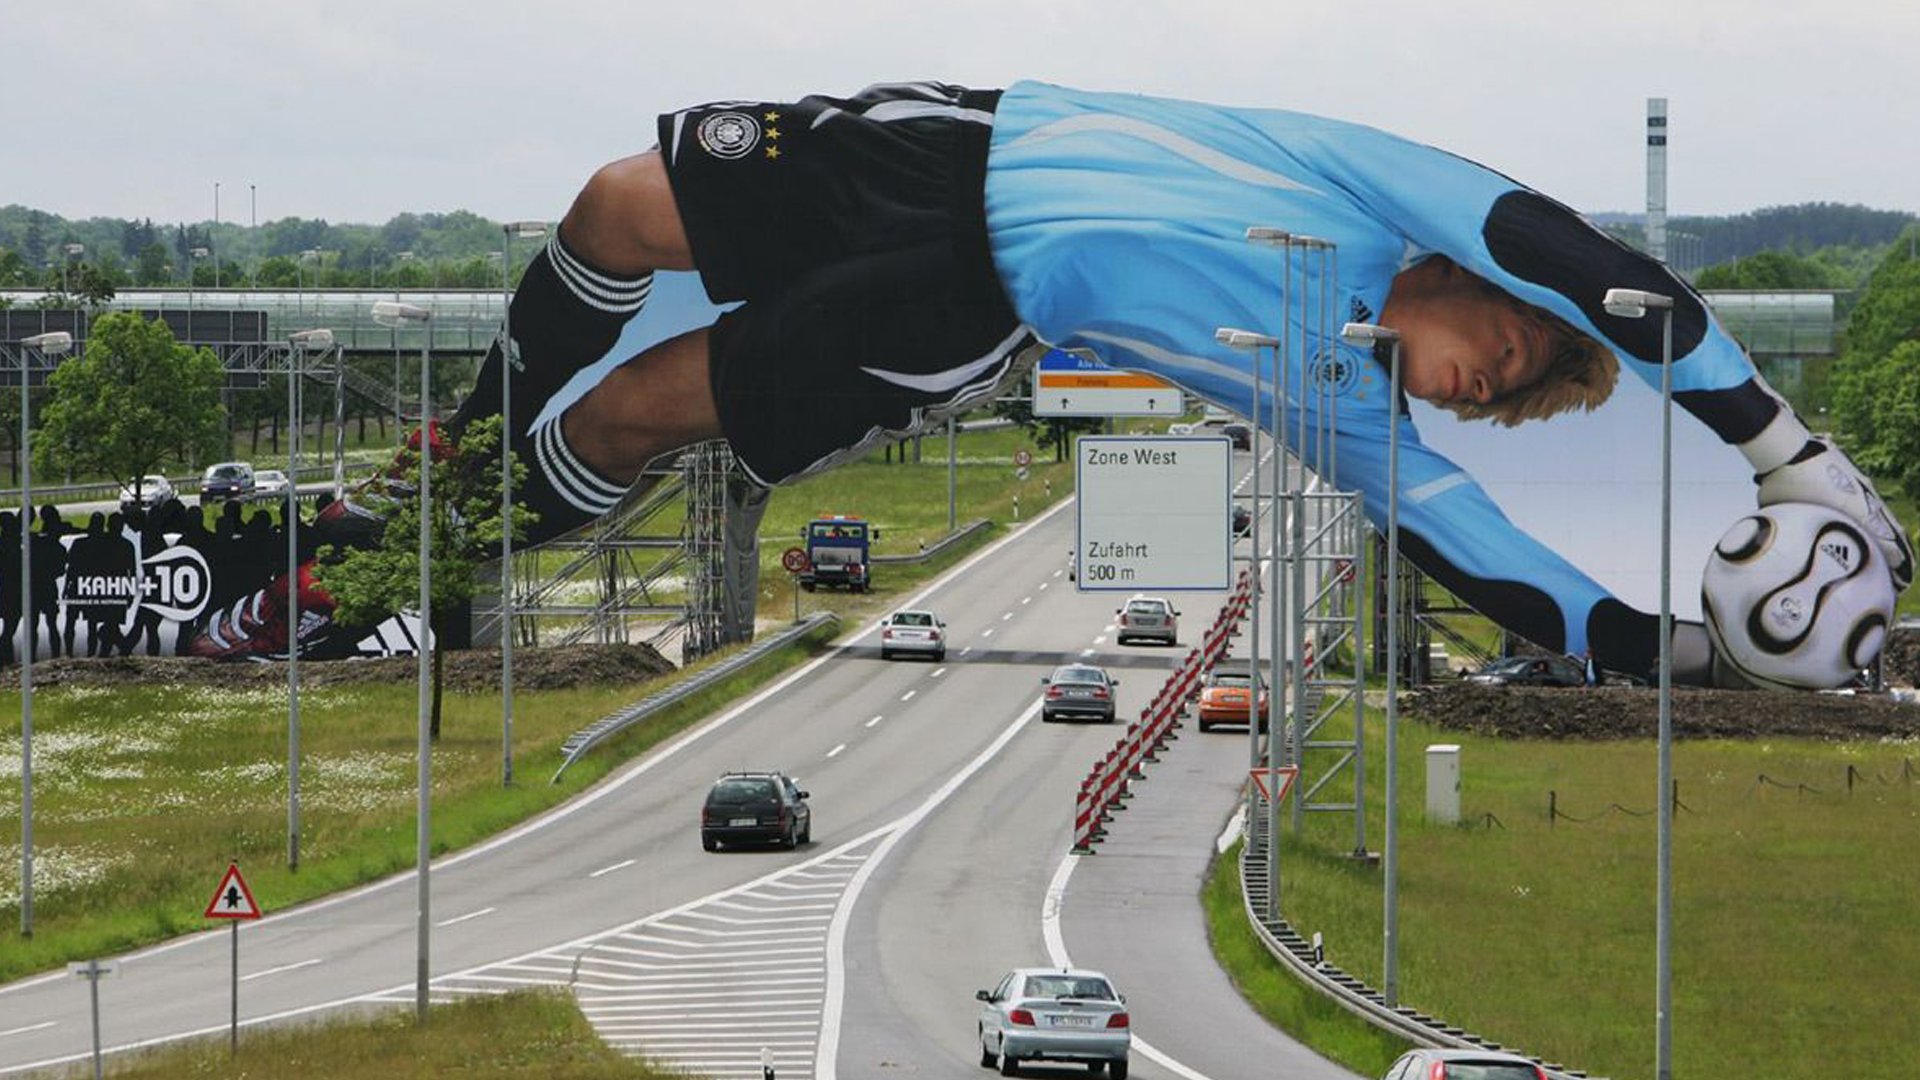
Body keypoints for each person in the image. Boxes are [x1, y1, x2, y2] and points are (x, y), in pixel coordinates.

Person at [192, 80, 1913, 688]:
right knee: (618, 206)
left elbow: (1495, 566)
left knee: (638, 415)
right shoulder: (1413, 189)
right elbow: (1592, 260)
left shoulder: (1341, 401)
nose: (1472, 388)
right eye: (1508, 367)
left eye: (1484, 403)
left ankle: (438, 550)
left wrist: (1677, 648)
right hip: (963, 139)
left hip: (966, 302)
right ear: (1501, 302)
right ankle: (459, 472)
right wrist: (1784, 453)